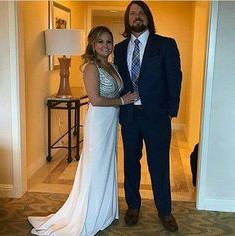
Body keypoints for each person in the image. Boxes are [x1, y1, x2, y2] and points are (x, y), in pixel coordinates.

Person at [28, 26, 138, 236]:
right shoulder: (90, 68)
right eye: (100, 42)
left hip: (111, 120)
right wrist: (124, 100)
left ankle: (105, 210)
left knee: (108, 163)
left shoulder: (113, 66)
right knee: (95, 165)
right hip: (98, 121)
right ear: (92, 45)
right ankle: (90, 212)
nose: (105, 46)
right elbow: (95, 100)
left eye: (108, 41)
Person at [114, 1, 182, 232]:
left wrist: (171, 112)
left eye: (141, 12)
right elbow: (119, 82)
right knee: (131, 164)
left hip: (157, 118)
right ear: (127, 19)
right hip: (130, 117)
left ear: (148, 17)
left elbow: (175, 78)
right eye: (132, 13)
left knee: (159, 166)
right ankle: (133, 206)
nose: (137, 16)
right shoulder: (120, 49)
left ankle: (165, 211)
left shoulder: (165, 45)